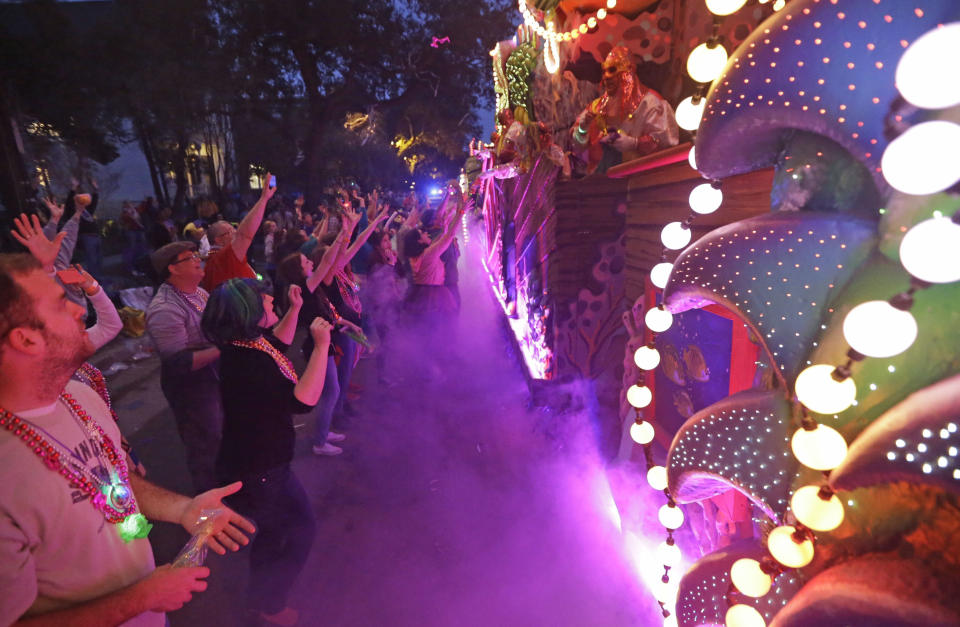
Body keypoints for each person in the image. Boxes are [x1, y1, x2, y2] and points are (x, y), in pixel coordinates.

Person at [0, 253, 255, 626]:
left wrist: (183, 509)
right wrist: (141, 598)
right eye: (60, 303)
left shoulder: (78, 395)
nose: (77, 311)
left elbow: (115, 476)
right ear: (25, 339)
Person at [201, 278, 332, 625]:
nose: (270, 298)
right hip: (261, 468)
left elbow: (277, 343)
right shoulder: (246, 361)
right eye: (265, 299)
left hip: (260, 462)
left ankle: (259, 599)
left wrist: (295, 309)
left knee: (276, 533)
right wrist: (320, 347)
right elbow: (302, 401)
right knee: (297, 531)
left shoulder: (246, 344)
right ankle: (269, 605)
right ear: (248, 312)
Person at [145, 241, 223, 494]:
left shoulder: (198, 292)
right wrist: (224, 348)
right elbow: (177, 362)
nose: (197, 259)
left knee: (222, 437)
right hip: (191, 387)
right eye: (189, 258)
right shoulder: (164, 309)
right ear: (173, 269)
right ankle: (208, 505)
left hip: (213, 375)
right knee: (205, 444)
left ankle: (227, 489)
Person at [572, 45, 679, 174]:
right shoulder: (596, 107)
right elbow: (577, 148)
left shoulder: (652, 104)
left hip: (640, 182)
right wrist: (582, 130)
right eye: (604, 71)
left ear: (629, 71)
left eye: (612, 70)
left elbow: (668, 149)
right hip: (601, 183)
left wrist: (635, 144)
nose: (606, 76)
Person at [200, 174, 277, 292]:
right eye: (230, 231)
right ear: (218, 240)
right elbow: (244, 235)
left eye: (234, 229)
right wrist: (264, 199)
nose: (235, 233)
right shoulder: (222, 259)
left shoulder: (216, 261)